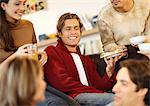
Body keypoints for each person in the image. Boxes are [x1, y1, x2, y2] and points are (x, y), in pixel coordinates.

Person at [44, 13, 118, 106]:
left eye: (76, 28)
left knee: (126, 96)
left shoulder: (85, 60)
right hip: (73, 97)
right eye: (68, 29)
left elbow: (99, 87)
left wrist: (109, 71)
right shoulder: (52, 51)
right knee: (118, 99)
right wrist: (96, 92)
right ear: (60, 33)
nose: (73, 32)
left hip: (90, 95)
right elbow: (62, 83)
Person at [0, 0, 47, 66]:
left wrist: (39, 57)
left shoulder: (28, 25)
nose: (22, 8)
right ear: (3, 5)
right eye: (17, 4)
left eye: (24, 4)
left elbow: (32, 55)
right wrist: (16, 56)